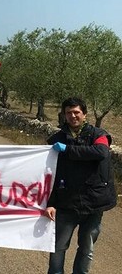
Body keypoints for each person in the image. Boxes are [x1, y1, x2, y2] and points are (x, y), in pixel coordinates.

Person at [45, 97, 117, 274]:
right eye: (68, 112)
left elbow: (101, 152)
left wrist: (68, 150)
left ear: (84, 114)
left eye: (76, 112)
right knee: (58, 247)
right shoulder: (55, 139)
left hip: (94, 204)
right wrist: (50, 202)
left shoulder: (99, 135)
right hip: (66, 203)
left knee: (86, 249)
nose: (73, 116)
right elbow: (50, 174)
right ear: (64, 115)